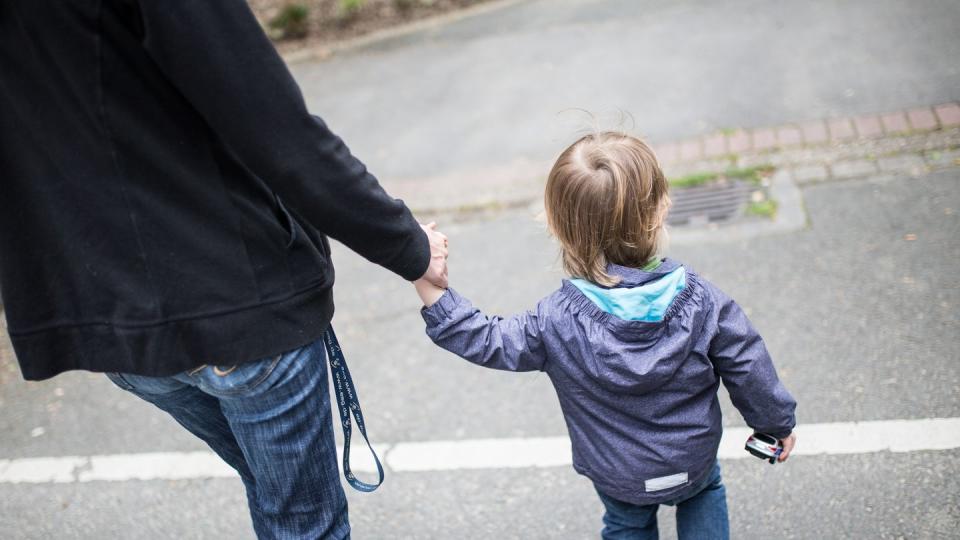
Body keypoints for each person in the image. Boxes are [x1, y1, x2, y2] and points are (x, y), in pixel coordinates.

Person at [0, 1, 447, 538]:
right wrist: (409, 247)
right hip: (235, 300)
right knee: (301, 522)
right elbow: (276, 128)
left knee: (273, 497)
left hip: (111, 321)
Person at [413, 132, 798, 540]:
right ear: (660, 211)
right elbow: (748, 364)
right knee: (703, 495)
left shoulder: (553, 322)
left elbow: (486, 338)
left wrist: (422, 270)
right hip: (692, 459)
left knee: (627, 523)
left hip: (617, 472)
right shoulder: (705, 302)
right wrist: (776, 424)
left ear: (560, 228)